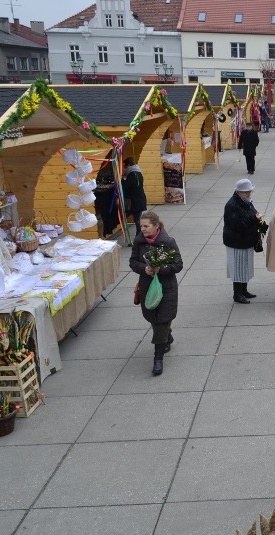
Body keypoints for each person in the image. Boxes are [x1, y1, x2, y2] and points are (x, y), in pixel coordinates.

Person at [129, 211, 183, 376]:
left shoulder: (168, 242)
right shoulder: (138, 242)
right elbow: (132, 261)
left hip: (166, 287)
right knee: (154, 317)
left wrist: (162, 269)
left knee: (162, 320)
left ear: (156, 226)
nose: (143, 229)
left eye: (146, 226)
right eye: (141, 226)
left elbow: (178, 265)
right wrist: (144, 269)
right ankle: (167, 336)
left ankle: (158, 358)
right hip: (147, 286)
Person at [224, 179, 264, 304]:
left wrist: (257, 218)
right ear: (238, 192)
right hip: (237, 243)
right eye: (246, 192)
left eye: (250, 191)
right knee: (238, 268)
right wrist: (254, 218)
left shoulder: (246, 201)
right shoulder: (232, 205)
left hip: (245, 241)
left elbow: (251, 214)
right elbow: (238, 226)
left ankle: (244, 290)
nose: (249, 194)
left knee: (245, 266)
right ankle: (237, 294)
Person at [94, 152, 119, 237]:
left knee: (106, 214)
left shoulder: (106, 170)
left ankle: (106, 229)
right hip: (104, 196)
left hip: (104, 196)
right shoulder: (104, 170)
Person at [122, 156, 147, 236]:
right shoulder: (138, 173)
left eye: (124, 167)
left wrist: (122, 180)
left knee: (137, 220)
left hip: (135, 201)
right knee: (137, 219)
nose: (124, 169)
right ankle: (140, 236)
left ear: (128, 166)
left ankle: (139, 236)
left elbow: (126, 186)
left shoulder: (132, 175)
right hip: (139, 199)